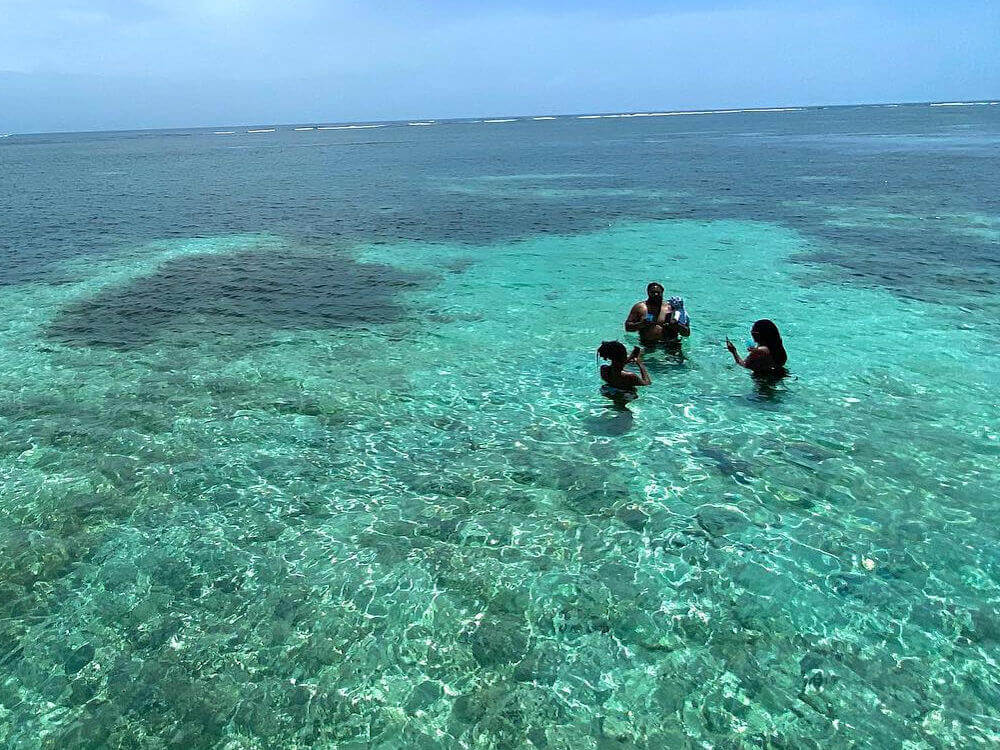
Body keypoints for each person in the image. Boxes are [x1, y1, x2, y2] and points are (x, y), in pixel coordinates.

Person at [625, 283, 691, 346]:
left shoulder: (672, 307)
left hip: (670, 343)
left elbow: (687, 333)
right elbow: (627, 327)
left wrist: (676, 326)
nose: (656, 294)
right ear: (648, 292)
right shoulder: (640, 307)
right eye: (652, 292)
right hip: (647, 343)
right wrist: (642, 324)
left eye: (658, 292)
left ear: (662, 292)